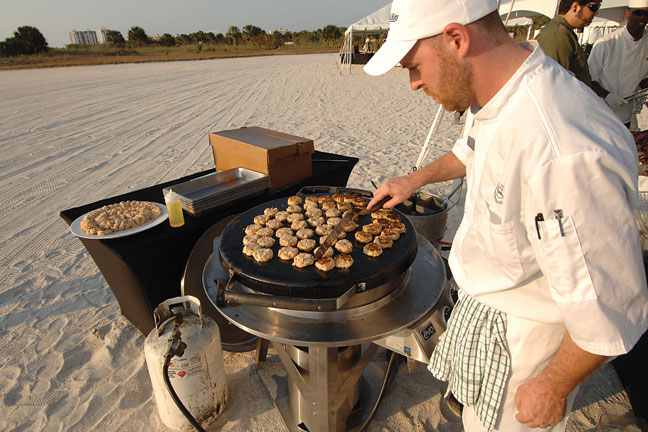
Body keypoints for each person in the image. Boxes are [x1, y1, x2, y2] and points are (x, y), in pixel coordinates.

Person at [363, 0, 648, 431]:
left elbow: (610, 306)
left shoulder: (560, 149)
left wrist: (552, 386)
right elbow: (471, 150)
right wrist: (414, 179)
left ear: (457, 39)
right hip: (487, 313)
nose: (413, 84)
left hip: (526, 350)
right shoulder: (500, 90)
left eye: (413, 65)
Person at [588, 0, 648, 128]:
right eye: (638, 13)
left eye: (646, 14)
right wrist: (608, 96)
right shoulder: (606, 43)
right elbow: (589, 79)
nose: (642, 17)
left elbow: (643, 79)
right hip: (603, 110)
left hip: (627, 113)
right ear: (627, 14)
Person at [535, 0, 601, 86]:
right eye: (594, 7)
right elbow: (552, 82)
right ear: (575, 7)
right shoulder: (558, 34)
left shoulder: (563, 32)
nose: (596, 13)